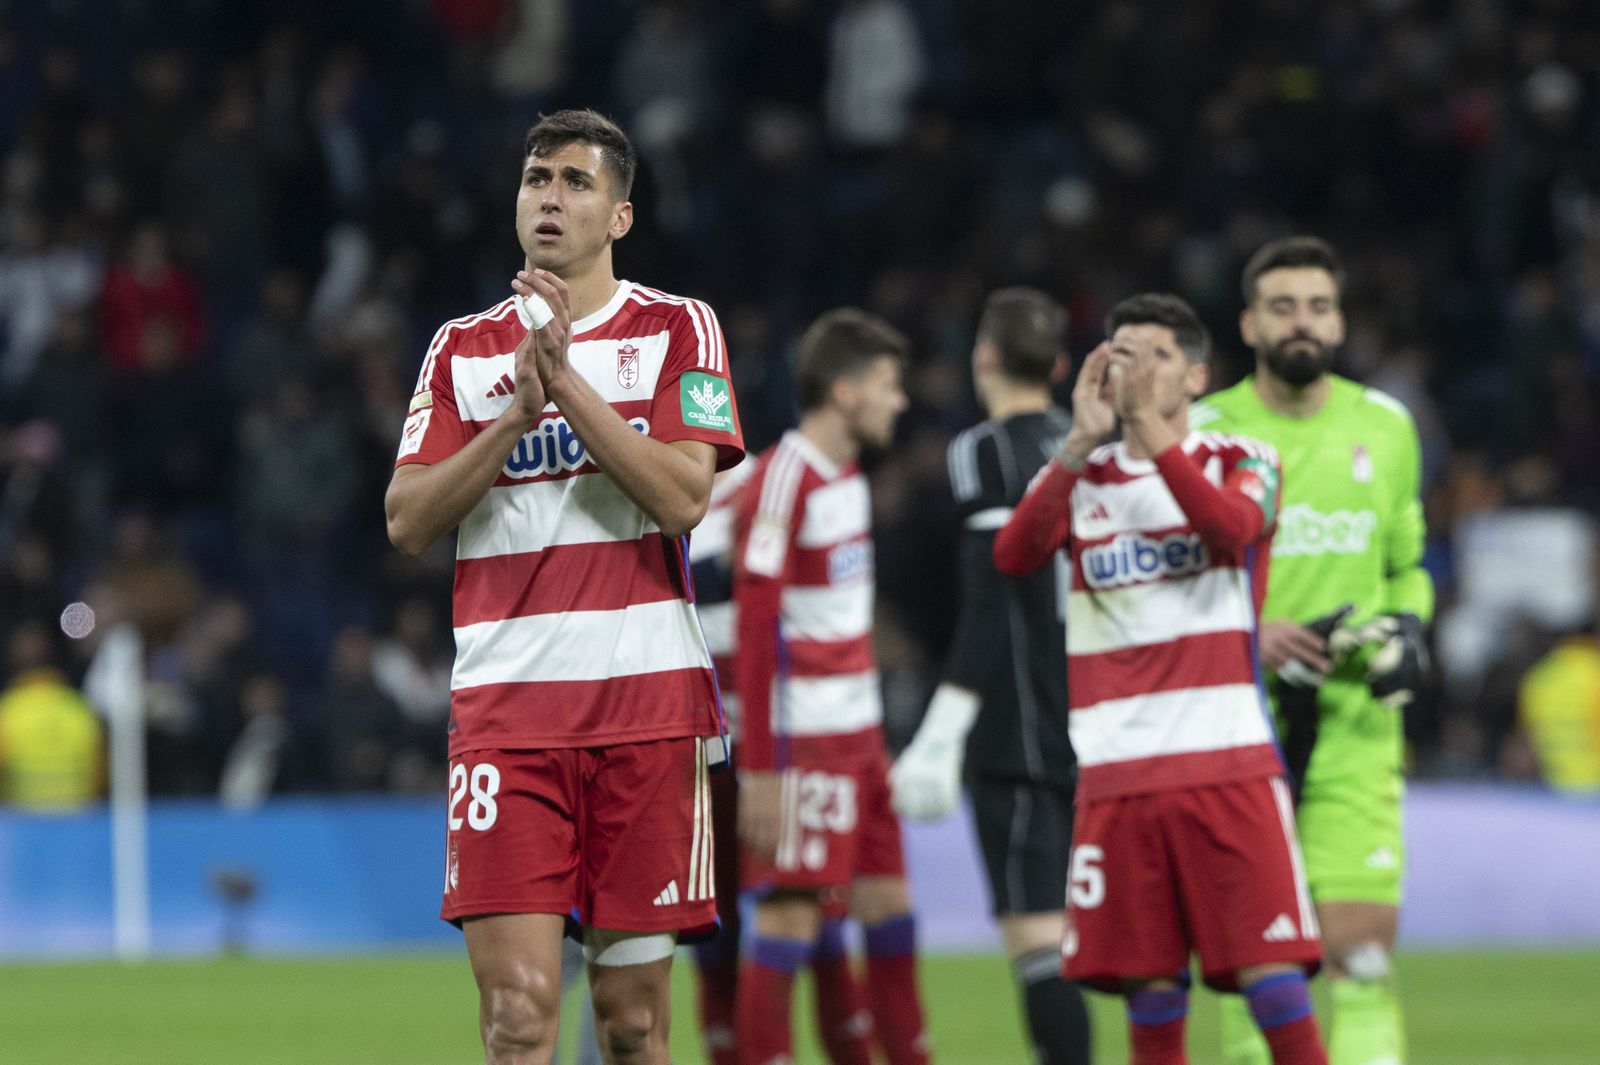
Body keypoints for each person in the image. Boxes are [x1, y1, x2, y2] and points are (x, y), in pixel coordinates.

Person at [384, 109, 744, 1065]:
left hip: (648, 713)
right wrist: (513, 419)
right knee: (520, 1015)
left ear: (620, 216)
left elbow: (681, 496)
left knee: (630, 1026)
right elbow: (408, 519)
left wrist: (567, 388)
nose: (550, 195)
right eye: (538, 177)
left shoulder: (677, 326)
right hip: (509, 718)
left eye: (577, 182)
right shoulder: (462, 350)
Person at [994, 293, 1329, 1065]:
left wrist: (1146, 432)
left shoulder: (1246, 459)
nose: (1134, 367)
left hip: (1228, 766)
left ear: (1197, 378)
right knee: (1151, 994)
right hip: (1117, 778)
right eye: (1119, 351)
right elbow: (1014, 554)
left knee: (1274, 982)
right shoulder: (1085, 475)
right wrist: (1078, 442)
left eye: (1156, 354)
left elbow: (1228, 532)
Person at [1192, 237, 1432, 1065]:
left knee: (1361, 958)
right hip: (1236, 731)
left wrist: (1408, 628)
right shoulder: (1205, 432)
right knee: (1252, 968)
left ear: (1340, 320)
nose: (1305, 322)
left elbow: (1407, 568)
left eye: (1320, 306)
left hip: (1356, 727)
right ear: (1250, 323)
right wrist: (1246, 635)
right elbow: (1165, 589)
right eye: (1285, 306)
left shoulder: (1387, 426)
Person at [890, 287, 1091, 1065]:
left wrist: (945, 726)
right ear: (1061, 365)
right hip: (1101, 714)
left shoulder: (983, 450)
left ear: (985, 359)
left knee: (1037, 934)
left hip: (1018, 725)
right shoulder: (1092, 448)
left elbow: (990, 597)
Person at [732, 308, 931, 1065]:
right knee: (787, 923)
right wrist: (760, 769)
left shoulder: (848, 476)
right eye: (888, 385)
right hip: (801, 743)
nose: (900, 401)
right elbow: (755, 631)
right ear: (845, 391)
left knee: (892, 917)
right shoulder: (784, 479)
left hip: (862, 740)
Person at [0, 621, 104, 811]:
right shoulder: (80, 708)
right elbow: (99, 773)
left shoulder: (7, 711)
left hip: (20, 819)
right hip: (76, 818)